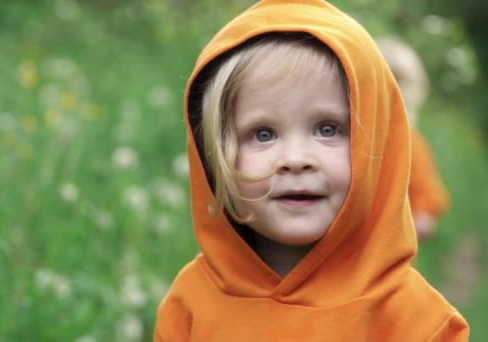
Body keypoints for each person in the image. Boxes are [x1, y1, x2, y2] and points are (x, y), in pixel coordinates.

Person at [154, 1, 469, 341]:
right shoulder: (190, 304)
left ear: (378, 144)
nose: (295, 159)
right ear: (213, 157)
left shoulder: (415, 321)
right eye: (263, 134)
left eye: (328, 129)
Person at [377, 37, 451, 241]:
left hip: (391, 245)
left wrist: (422, 214)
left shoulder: (410, 143)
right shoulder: (349, 135)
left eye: (398, 82)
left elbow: (423, 185)